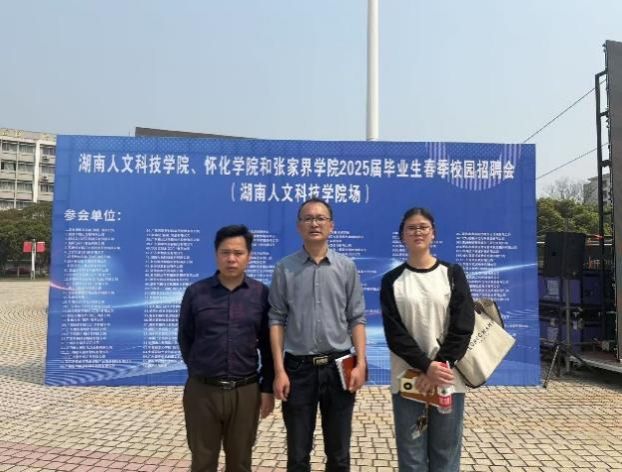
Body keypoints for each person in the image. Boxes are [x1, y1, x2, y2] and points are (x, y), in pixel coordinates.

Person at [269, 197, 367, 472]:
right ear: (299, 226)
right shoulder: (284, 269)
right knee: (298, 455)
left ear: (331, 226)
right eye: (308, 218)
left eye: (320, 218)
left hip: (341, 364)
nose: (315, 223)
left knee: (339, 454)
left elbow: (356, 318)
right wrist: (279, 371)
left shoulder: (346, 267)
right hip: (298, 368)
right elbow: (276, 319)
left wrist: (360, 363)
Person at [380, 207, 474, 472]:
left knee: (446, 455)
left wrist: (438, 367)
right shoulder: (392, 281)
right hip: (408, 379)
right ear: (402, 236)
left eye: (423, 227)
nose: (417, 232)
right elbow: (395, 334)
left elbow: (463, 325)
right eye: (411, 228)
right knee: (412, 456)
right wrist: (425, 366)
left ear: (433, 233)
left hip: (446, 379)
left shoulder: (452, 273)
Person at [178, 224, 274, 472]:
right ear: (216, 254)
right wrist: (201, 370)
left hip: (245, 391)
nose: (231, 259)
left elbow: (268, 345)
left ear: (249, 256)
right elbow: (185, 338)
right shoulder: (196, 293)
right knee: (202, 462)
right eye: (225, 252)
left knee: (240, 462)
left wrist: (266, 389)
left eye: (238, 253)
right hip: (202, 392)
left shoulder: (261, 294)